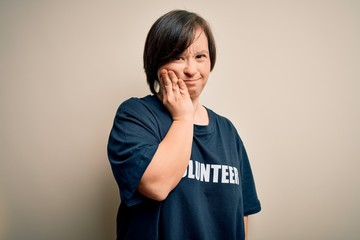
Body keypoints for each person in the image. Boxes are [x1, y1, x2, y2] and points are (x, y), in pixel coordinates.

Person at [107, 9, 261, 240]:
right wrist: (183, 117)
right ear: (156, 62)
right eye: (178, 57)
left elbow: (242, 214)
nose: (191, 70)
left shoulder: (227, 132)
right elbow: (157, 186)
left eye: (200, 56)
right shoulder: (135, 116)